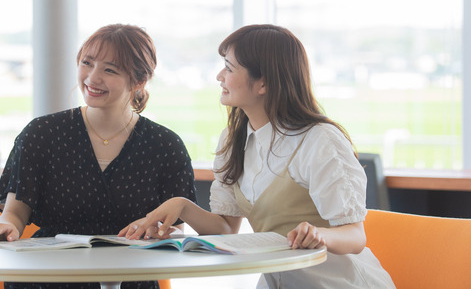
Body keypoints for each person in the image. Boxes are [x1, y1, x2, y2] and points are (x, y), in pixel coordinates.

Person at [120, 24, 395, 288]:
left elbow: (355, 235)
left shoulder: (320, 141)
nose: (219, 76)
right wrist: (182, 207)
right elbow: (227, 229)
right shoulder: (232, 139)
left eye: (228, 68)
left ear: (262, 83)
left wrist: (319, 234)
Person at [0, 24, 197, 289]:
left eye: (109, 70)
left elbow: (175, 232)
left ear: (139, 81)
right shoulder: (41, 134)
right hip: (48, 278)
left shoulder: (165, 146)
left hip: (129, 279)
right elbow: (14, 213)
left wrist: (157, 233)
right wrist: (8, 226)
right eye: (86, 63)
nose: (92, 78)